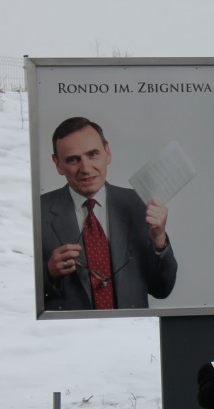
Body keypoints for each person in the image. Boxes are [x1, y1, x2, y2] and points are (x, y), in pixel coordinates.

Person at [41, 117, 177, 311]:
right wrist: (49, 273)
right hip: (69, 336)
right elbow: (15, 297)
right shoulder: (37, 212)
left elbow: (162, 289)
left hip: (130, 332)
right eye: (73, 159)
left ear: (107, 152)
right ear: (57, 164)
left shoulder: (140, 205)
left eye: (93, 154)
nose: (86, 169)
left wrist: (159, 240)